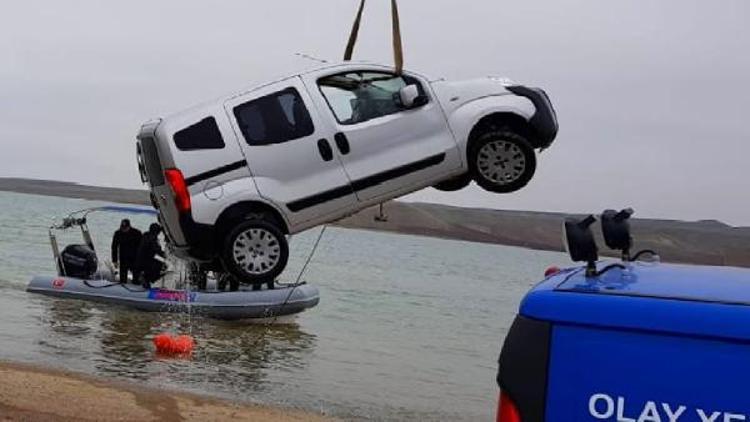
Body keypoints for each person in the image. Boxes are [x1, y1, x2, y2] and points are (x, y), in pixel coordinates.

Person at [135, 223, 166, 288]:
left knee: (161, 264)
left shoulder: (146, 236)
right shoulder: (151, 239)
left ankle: (146, 280)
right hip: (146, 263)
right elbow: (155, 251)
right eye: (158, 232)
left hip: (143, 261)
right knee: (161, 267)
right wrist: (164, 255)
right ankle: (146, 280)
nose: (159, 234)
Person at [111, 219, 142, 284]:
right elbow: (114, 247)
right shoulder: (118, 233)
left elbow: (141, 247)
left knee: (136, 277)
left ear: (129, 226)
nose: (123, 230)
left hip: (134, 258)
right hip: (123, 258)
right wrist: (115, 260)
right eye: (122, 228)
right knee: (123, 278)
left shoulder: (137, 233)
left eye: (125, 228)